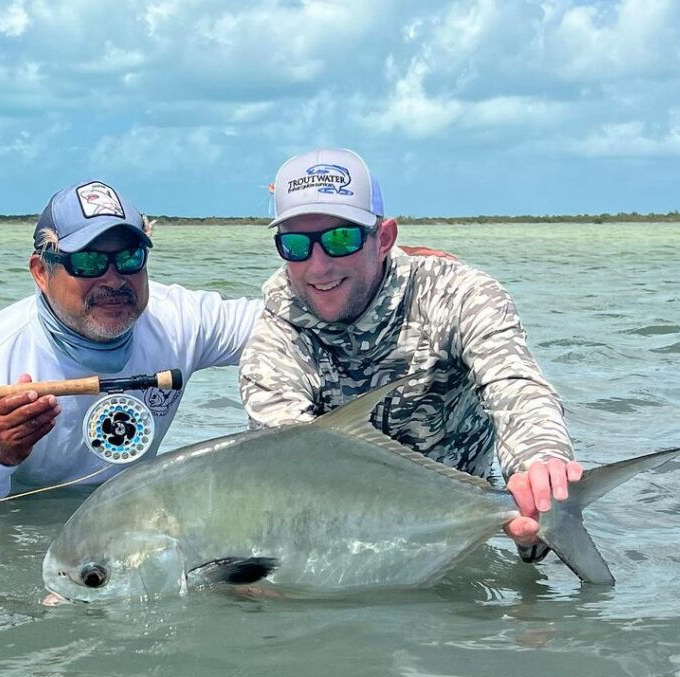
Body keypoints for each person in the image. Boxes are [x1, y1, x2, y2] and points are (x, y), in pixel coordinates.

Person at [239, 148, 582, 560]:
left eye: (341, 239)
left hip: (467, 531)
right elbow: (288, 459)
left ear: (383, 239)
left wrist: (540, 468)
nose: (319, 266)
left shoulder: (460, 294)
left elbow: (515, 386)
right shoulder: (276, 333)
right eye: (295, 245)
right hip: (340, 542)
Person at [0, 180, 261, 505]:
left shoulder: (179, 320)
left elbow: (283, 321)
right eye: (88, 262)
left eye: (130, 258)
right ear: (41, 272)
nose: (114, 280)